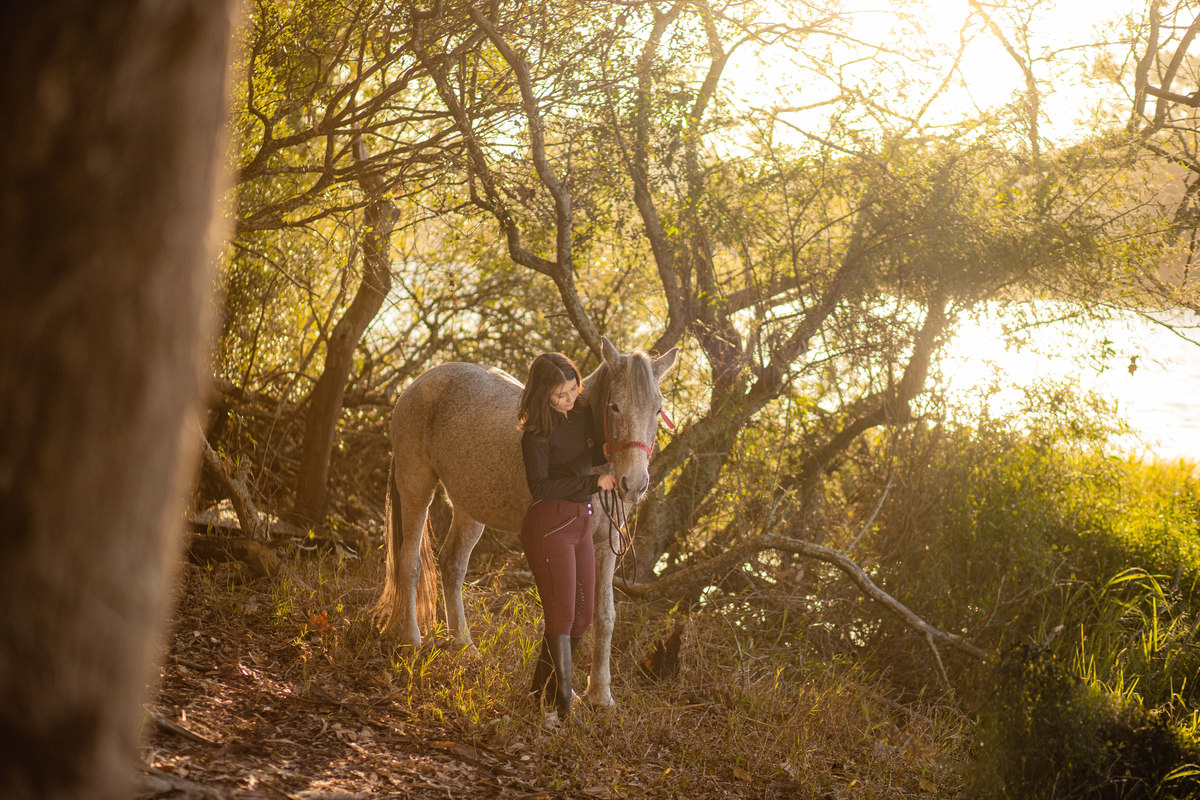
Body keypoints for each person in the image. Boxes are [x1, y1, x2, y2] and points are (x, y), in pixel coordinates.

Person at [517, 352, 617, 725]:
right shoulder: (535, 434)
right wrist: (594, 481)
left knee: (584, 614)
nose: (569, 399)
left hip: (581, 523)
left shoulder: (579, 416)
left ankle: (540, 691)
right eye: (559, 395)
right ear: (543, 394)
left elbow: (582, 456)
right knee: (560, 615)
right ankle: (557, 705)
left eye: (573, 389)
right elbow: (540, 485)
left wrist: (603, 453)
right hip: (550, 523)